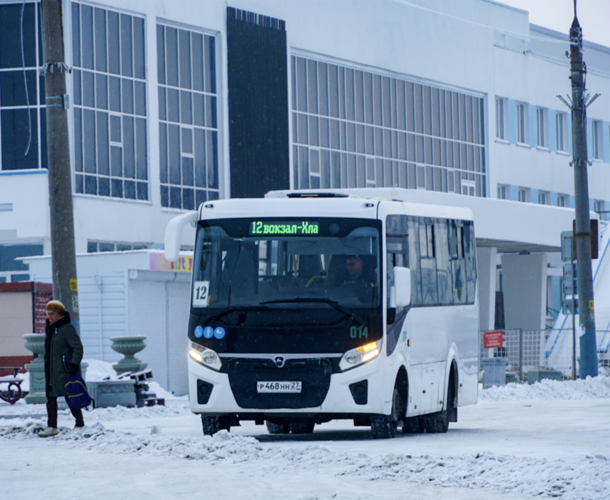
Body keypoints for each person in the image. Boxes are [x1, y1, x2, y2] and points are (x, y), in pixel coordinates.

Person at [38, 300, 85, 437]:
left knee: (70, 397)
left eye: (52, 314)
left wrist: (73, 364)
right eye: (48, 314)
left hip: (65, 370)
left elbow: (77, 348)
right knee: (51, 398)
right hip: (53, 371)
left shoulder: (66, 328)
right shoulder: (51, 329)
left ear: (59, 314)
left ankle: (80, 423)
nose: (50, 317)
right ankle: (51, 426)